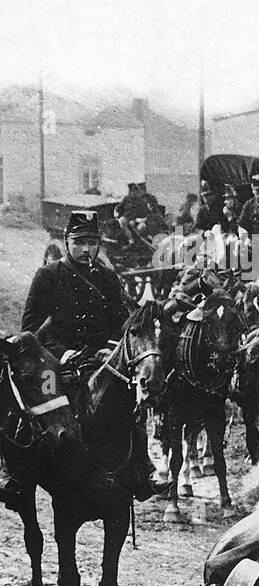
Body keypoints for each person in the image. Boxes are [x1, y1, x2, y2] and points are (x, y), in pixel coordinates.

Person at [10, 211, 161, 504]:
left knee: (127, 402)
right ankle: (19, 473)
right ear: (67, 242)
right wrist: (59, 353)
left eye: (92, 243)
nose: (86, 249)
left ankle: (141, 470)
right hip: (54, 362)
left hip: (99, 359)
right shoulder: (48, 276)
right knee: (42, 406)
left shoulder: (106, 277)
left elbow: (122, 322)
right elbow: (29, 329)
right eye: (79, 242)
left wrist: (112, 347)